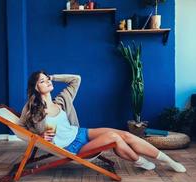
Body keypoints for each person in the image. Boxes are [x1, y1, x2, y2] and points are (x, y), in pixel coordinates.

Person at [19, 70, 186, 172]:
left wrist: (53, 77)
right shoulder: (32, 109)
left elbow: (76, 79)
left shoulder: (61, 100)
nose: (47, 81)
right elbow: (21, 127)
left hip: (81, 133)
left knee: (125, 134)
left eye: (47, 78)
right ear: (35, 87)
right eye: (42, 81)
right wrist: (40, 136)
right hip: (73, 147)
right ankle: (139, 161)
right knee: (114, 138)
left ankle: (168, 160)